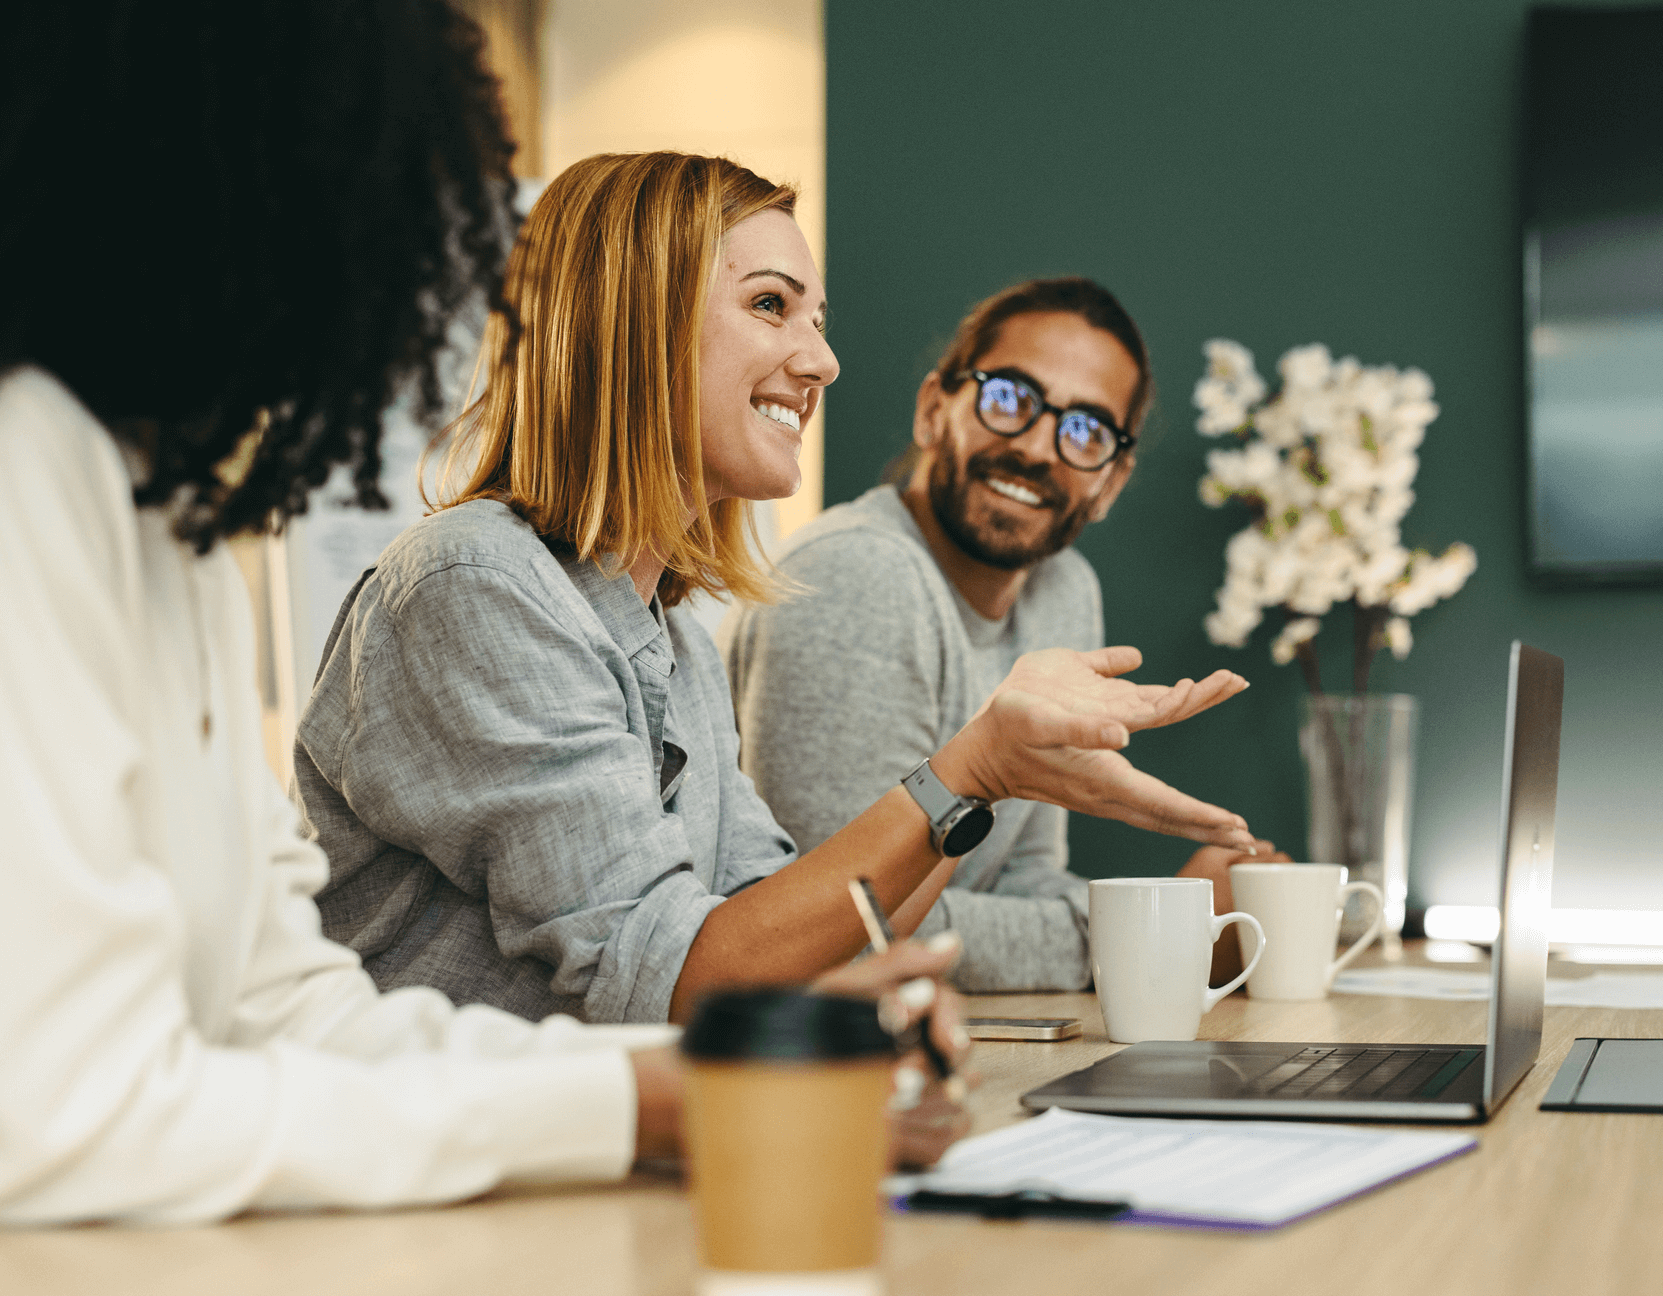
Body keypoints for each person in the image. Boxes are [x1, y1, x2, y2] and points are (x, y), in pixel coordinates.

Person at [0, 1, 963, 1227]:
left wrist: (714, 1074)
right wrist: (648, 1104)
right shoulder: (32, 465)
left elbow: (293, 1012)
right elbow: (65, 1120)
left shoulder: (168, 533)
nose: (410, 274)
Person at [292, 154, 1262, 1032]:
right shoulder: (476, 583)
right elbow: (678, 976)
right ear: (638, 319)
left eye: (818, 321)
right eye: (770, 305)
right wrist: (973, 769)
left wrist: (992, 784)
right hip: (440, 1192)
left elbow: (803, 936)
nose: (822, 362)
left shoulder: (670, 637)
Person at [725, 279, 1285, 992]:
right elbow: (846, 933)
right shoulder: (856, 574)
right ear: (934, 410)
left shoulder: (1063, 588)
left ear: (1110, 482)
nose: (1037, 447)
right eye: (1010, 397)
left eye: (1085, 430)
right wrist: (1159, 929)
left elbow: (1024, 880)